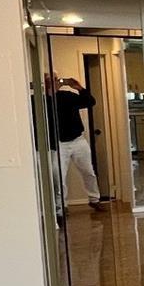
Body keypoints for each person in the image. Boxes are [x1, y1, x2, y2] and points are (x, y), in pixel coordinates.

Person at [46, 74, 109, 210]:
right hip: (58, 144)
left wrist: (79, 87)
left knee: (88, 171)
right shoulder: (41, 100)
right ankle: (61, 206)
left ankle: (94, 199)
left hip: (78, 140)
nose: (55, 82)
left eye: (56, 79)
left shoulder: (67, 96)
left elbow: (90, 102)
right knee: (58, 176)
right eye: (50, 80)